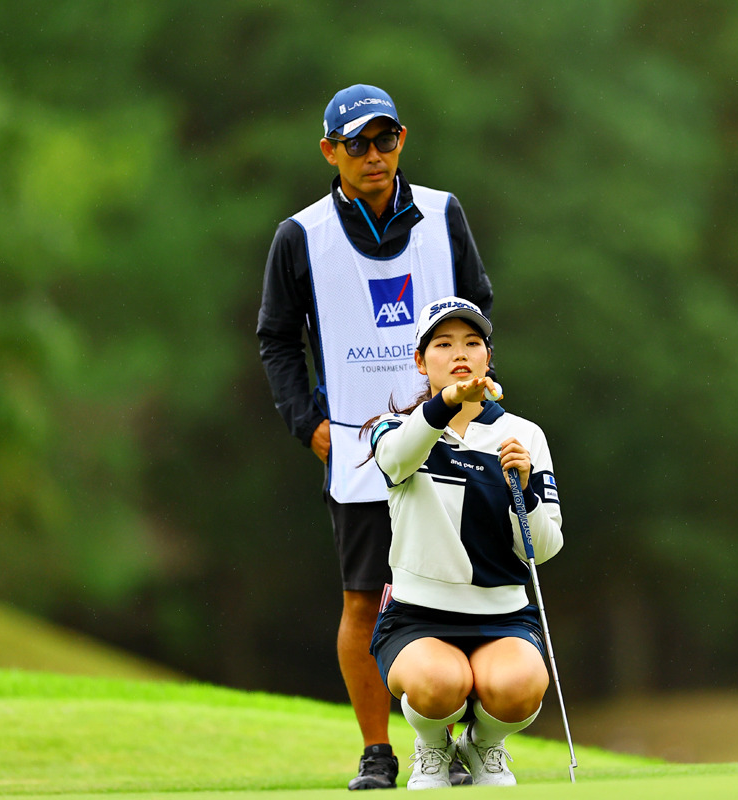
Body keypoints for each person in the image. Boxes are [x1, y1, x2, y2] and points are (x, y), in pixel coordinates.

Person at [256, 84, 493, 790]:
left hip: (449, 438)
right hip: (360, 449)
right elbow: (275, 338)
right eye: (356, 143)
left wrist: (467, 391)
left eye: (384, 139)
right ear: (330, 152)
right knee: (365, 598)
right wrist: (307, 425)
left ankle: (449, 744)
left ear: (402, 141)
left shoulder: (443, 214)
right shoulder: (301, 235)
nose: (373, 155)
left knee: (450, 590)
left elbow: (479, 310)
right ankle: (377, 751)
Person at [365, 297, 563, 789]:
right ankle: (433, 746)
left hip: (502, 614)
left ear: (488, 358)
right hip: (418, 616)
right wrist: (447, 404)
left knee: (520, 689)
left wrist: (526, 488)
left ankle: (482, 746)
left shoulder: (524, 435)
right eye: (444, 343)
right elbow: (396, 459)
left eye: (473, 343)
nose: (460, 353)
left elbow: (543, 548)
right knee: (440, 685)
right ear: (420, 360)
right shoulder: (396, 429)